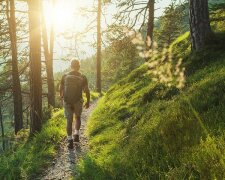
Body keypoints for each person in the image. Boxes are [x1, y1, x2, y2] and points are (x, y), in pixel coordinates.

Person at [59, 60, 90, 149]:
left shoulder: (65, 76)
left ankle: (70, 141)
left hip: (67, 101)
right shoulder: (82, 77)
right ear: (79, 66)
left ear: (71, 66)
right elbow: (86, 90)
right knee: (78, 117)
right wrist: (88, 101)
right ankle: (76, 134)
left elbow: (60, 87)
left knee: (69, 121)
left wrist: (62, 96)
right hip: (78, 101)